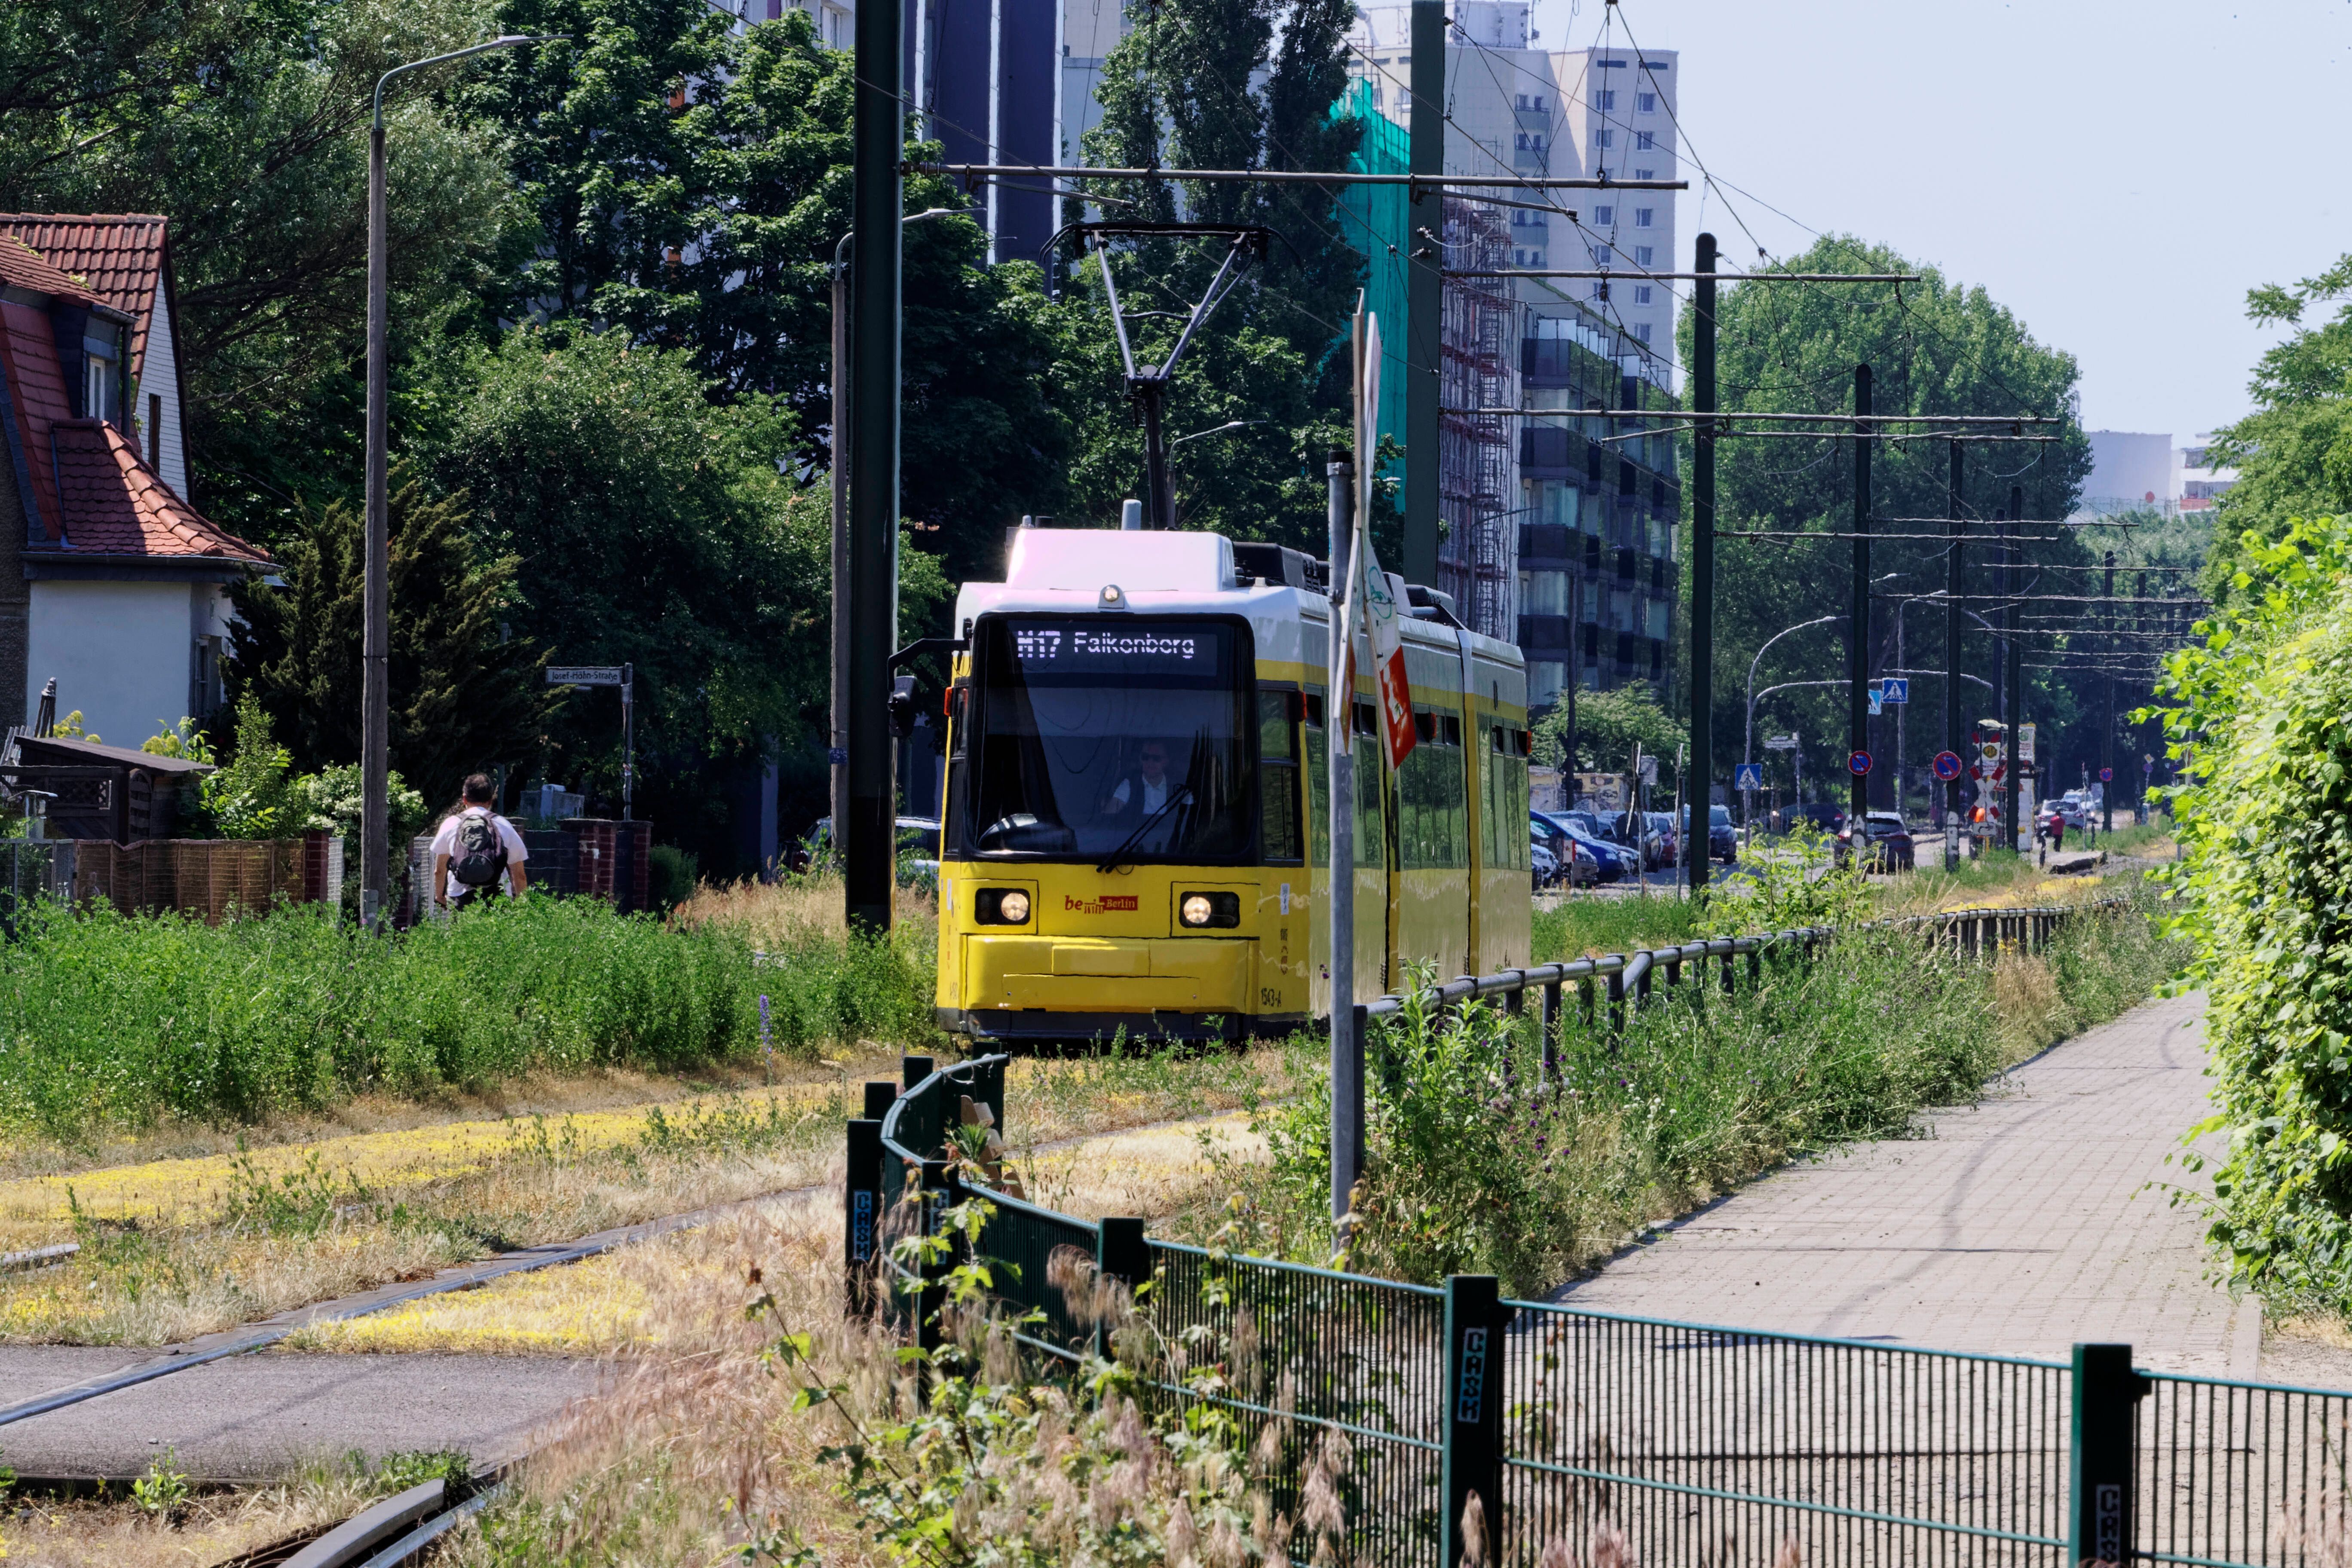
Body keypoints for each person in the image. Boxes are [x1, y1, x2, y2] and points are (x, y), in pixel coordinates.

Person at [431, 773, 531, 912]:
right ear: (491, 800)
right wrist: (521, 904)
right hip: (497, 895)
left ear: (464, 799)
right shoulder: (503, 825)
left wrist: (439, 896)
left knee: (462, 933)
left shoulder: (451, 824)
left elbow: (439, 871)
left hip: (460, 896)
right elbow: (520, 875)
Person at [1103, 740, 1183, 820]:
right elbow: (1107, 817)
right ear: (1140, 759)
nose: (1150, 762)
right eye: (1145, 757)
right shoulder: (1129, 784)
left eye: (1156, 758)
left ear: (1166, 761)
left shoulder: (1178, 786)